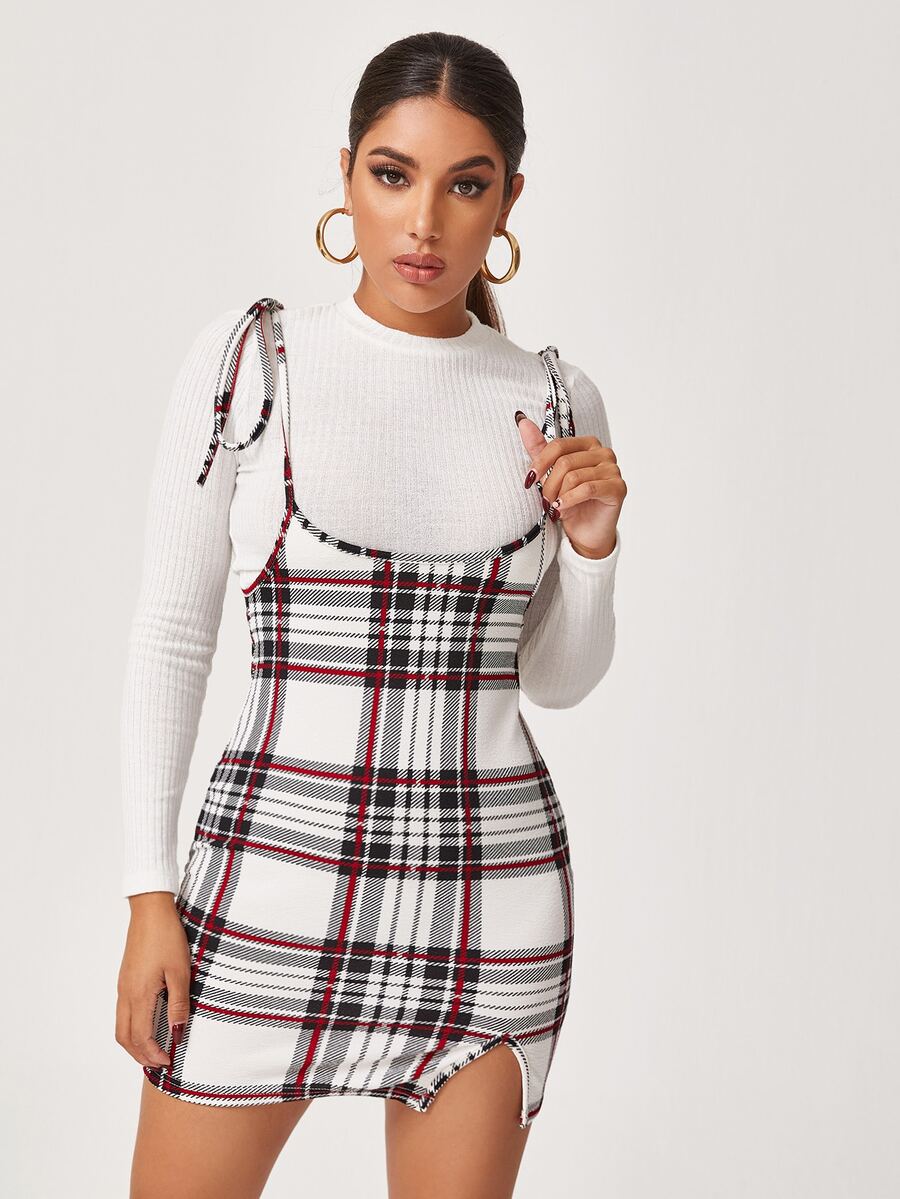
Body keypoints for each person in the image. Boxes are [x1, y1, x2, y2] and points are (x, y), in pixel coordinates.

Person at [117, 30, 626, 1199]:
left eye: (467, 185)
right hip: (265, 892)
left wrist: (593, 551)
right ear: (346, 173)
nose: (425, 222)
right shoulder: (253, 365)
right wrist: (150, 894)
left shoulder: (554, 398)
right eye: (394, 175)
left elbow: (555, 679)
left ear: (509, 200)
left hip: (489, 908)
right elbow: (170, 638)